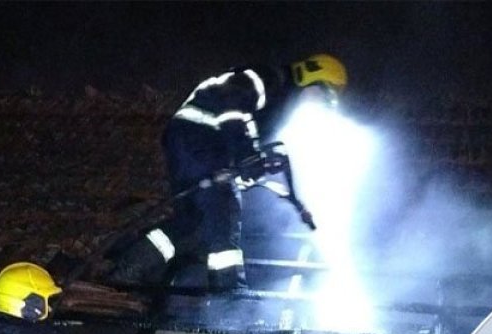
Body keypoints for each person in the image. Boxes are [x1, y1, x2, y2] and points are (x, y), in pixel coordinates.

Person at [108, 53, 347, 291]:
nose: (321, 105)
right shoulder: (270, 78)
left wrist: (255, 161)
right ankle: (229, 297)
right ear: (313, 77)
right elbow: (233, 107)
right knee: (224, 211)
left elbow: (249, 137)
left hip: (188, 142)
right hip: (201, 139)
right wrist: (248, 154)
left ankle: (129, 268)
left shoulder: (278, 102)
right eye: (325, 96)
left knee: (192, 223)